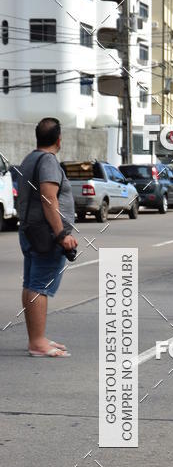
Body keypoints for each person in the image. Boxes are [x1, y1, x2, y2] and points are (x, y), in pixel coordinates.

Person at [18, 118, 77, 358]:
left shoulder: (30, 159)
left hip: (31, 231)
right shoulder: (49, 162)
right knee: (39, 285)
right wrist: (61, 234)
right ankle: (38, 343)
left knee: (31, 283)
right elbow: (48, 199)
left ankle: (36, 338)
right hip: (46, 234)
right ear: (59, 140)